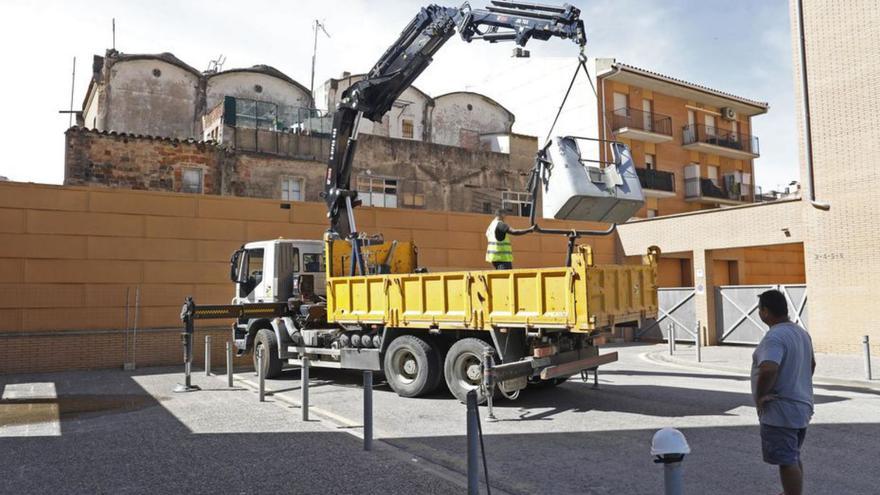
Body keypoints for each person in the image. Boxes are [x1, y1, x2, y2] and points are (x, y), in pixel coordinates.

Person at [751, 289, 815, 495]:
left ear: (766, 312)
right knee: (792, 456)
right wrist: (797, 382)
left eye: (759, 309)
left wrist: (761, 395)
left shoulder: (774, 336)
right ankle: (790, 492)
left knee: (786, 461)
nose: (759, 313)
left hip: (782, 411)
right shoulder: (801, 333)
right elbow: (811, 364)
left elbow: (768, 367)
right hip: (800, 406)